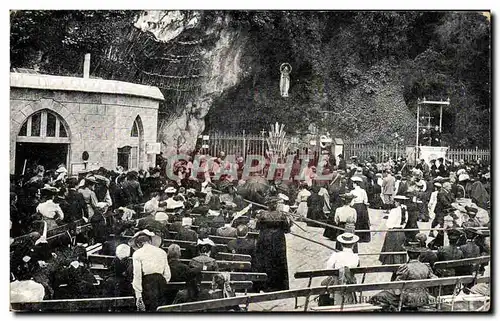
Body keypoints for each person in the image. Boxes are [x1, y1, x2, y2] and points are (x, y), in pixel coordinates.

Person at [370, 242, 437, 311]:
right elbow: (435, 279)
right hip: (423, 297)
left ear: (408, 254)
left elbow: (397, 286)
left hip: (407, 298)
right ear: (419, 254)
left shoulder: (405, 267)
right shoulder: (425, 267)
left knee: (379, 296)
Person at [255, 197, 291, 292]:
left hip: (264, 239)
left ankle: (263, 284)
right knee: (278, 261)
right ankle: (279, 286)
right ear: (275, 205)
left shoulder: (262, 215)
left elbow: (257, 227)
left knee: (264, 260)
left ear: (268, 205)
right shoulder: (282, 215)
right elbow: (287, 229)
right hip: (278, 240)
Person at [129, 229, 171, 312]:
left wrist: (138, 294)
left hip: (147, 282)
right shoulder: (162, 252)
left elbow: (137, 275)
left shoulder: (137, 253)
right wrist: (162, 282)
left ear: (138, 244)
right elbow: (167, 273)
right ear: (150, 241)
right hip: (161, 281)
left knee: (149, 309)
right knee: (160, 308)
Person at [319, 233, 360, 306]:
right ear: (353, 245)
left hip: (337, 283)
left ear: (341, 244)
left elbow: (328, 269)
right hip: (350, 282)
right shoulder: (356, 257)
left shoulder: (336, 255)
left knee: (324, 283)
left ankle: (326, 305)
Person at [379, 195, 409, 265]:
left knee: (390, 247)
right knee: (399, 247)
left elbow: (389, 224)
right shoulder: (405, 211)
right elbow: (405, 223)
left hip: (393, 231)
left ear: (397, 202)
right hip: (401, 231)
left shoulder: (394, 211)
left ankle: (389, 262)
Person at [348, 177, 371, 243]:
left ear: (355, 184)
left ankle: (355, 236)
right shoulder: (363, 191)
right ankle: (364, 237)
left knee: (356, 221)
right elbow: (365, 200)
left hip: (355, 206)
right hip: (362, 207)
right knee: (363, 221)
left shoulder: (352, 191)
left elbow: (351, 201)